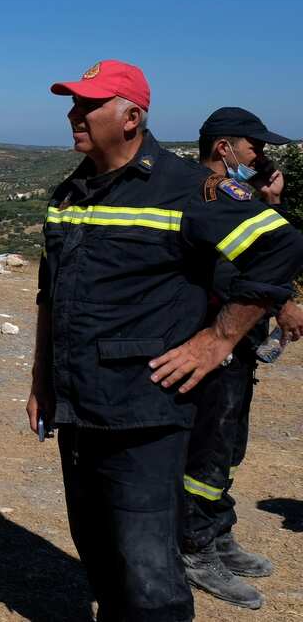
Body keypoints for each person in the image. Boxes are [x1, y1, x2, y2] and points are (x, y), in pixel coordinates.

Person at [26, 60, 303, 622]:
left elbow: (281, 247)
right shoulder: (71, 192)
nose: (73, 114)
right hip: (78, 408)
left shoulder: (184, 188)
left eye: (88, 104)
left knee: (150, 577)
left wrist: (218, 339)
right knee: (100, 556)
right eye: (74, 103)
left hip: (145, 414)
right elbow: (50, 295)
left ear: (130, 117)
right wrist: (40, 380)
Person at [180, 107, 303, 609]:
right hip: (215, 338)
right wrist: (281, 302)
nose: (262, 157)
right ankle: (194, 547)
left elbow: (270, 259)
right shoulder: (208, 194)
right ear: (224, 147)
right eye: (254, 147)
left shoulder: (241, 195)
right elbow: (233, 272)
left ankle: (217, 531)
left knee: (229, 446)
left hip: (238, 341)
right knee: (209, 448)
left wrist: (272, 201)